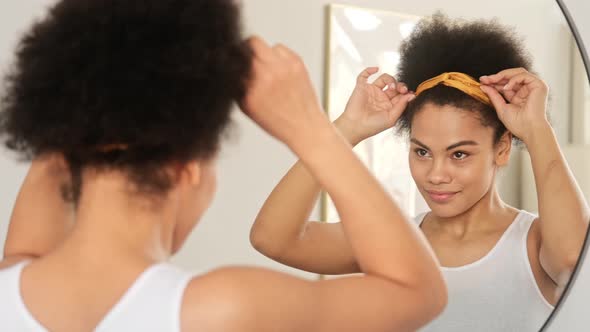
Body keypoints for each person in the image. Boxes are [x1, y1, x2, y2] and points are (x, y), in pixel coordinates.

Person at [0, 1, 447, 331]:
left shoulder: (10, 286)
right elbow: (418, 290)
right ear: (187, 167)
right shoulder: (220, 311)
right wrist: (311, 128)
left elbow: (29, 238)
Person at [250, 13, 590, 332]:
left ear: (501, 149)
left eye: (459, 154)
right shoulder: (394, 244)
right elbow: (274, 238)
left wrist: (537, 129)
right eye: (422, 151)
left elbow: (574, 259)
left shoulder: (533, 243)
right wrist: (346, 128)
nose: (436, 174)